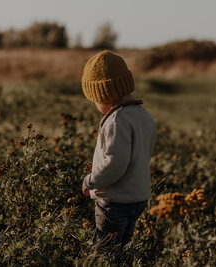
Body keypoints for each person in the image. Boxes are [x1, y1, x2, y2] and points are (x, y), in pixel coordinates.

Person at [81, 50, 157, 249]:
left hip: (115, 201)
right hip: (137, 197)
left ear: (103, 95)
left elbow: (115, 164)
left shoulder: (117, 121)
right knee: (124, 246)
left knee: (106, 251)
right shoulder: (142, 115)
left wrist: (90, 181)